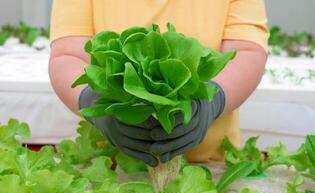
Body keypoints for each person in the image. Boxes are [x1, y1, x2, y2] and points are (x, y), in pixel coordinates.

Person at [49, 0, 269, 167]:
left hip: (208, 166)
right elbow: (68, 54)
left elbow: (246, 52)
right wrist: (94, 104)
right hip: (109, 166)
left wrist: (212, 103)